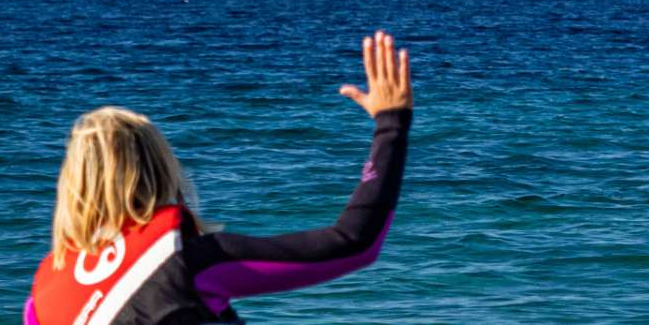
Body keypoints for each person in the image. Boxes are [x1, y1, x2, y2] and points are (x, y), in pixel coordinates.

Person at [25, 31, 413, 324]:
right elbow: (354, 243)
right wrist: (390, 125)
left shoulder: (41, 300)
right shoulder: (190, 263)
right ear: (161, 170)